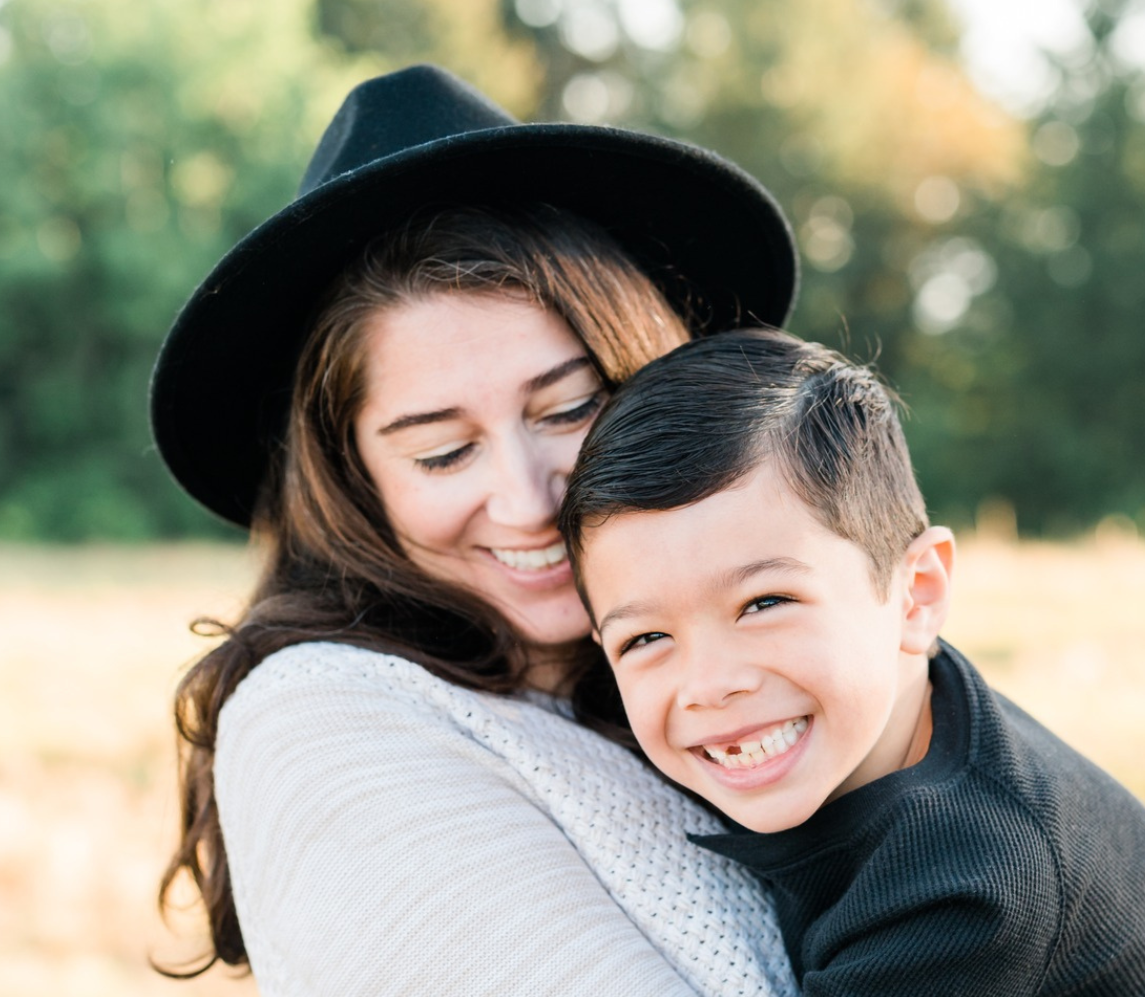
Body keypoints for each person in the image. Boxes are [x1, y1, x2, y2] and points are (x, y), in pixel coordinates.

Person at [150, 66, 802, 995]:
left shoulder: (749, 647)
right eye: (444, 453)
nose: (529, 500)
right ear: (355, 479)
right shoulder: (328, 718)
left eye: (572, 409)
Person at [559, 329, 1145, 996]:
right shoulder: (891, 705)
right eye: (644, 639)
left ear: (916, 595)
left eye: (763, 602)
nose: (708, 684)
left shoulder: (961, 889)